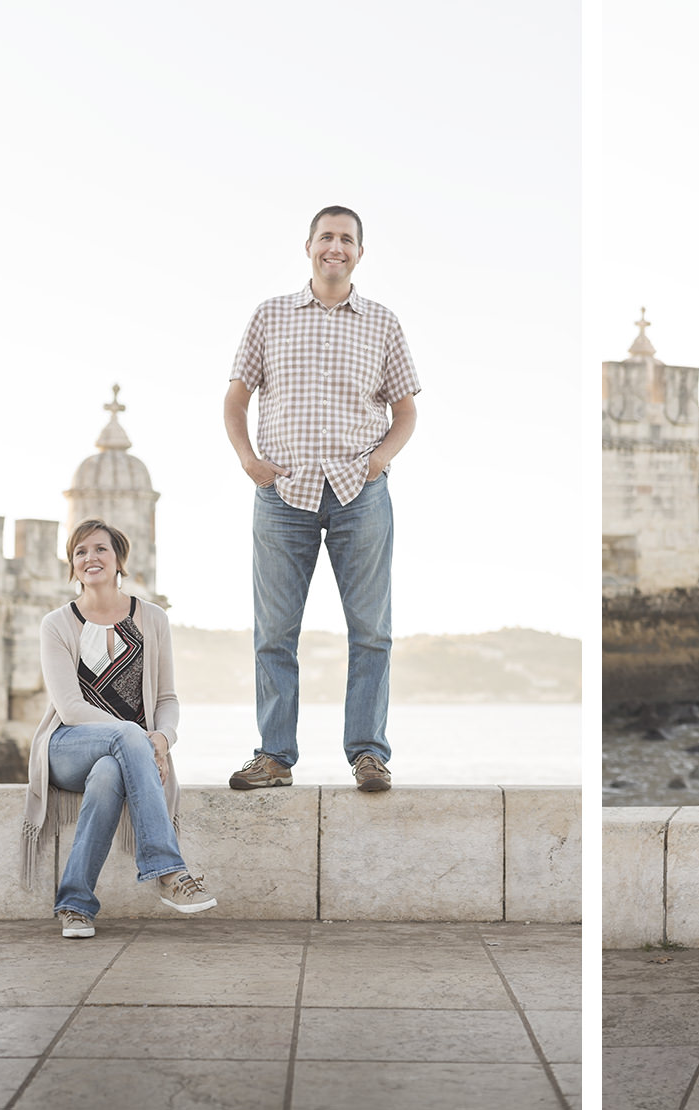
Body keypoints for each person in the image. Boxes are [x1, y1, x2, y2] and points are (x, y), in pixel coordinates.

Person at [223, 205, 421, 793]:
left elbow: (406, 410)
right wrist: (249, 462)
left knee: (371, 631)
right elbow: (234, 401)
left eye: (347, 239)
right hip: (283, 493)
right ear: (308, 245)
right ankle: (274, 757)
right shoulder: (270, 315)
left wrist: (379, 461)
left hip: (359, 492)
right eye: (327, 237)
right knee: (275, 632)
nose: (336, 246)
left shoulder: (382, 323)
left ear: (360, 252)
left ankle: (367, 754)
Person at [20, 519, 216, 939]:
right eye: (80, 552)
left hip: (127, 752)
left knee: (111, 771)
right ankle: (169, 872)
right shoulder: (57, 624)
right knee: (127, 737)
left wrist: (163, 738)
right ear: (72, 567)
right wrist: (143, 741)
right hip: (66, 748)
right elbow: (70, 708)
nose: (90, 558)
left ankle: (74, 905)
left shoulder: (153, 618)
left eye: (100, 549)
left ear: (119, 559)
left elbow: (167, 699)